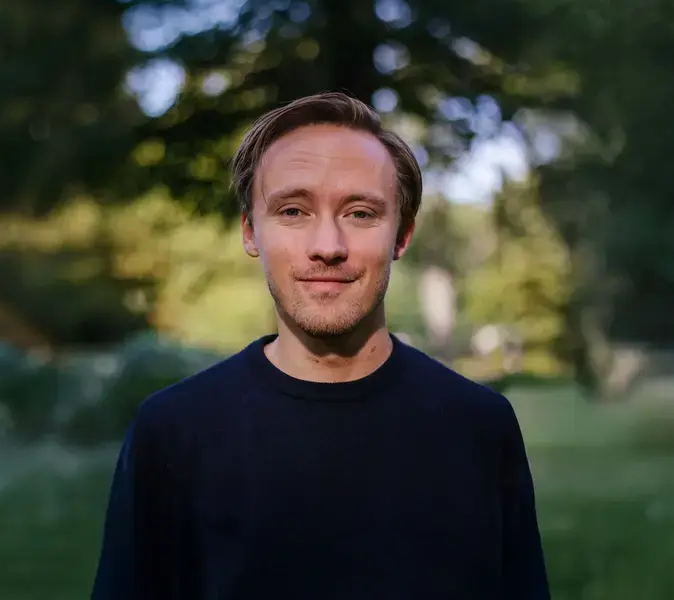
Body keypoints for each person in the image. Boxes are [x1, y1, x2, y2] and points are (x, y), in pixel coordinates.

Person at [90, 92, 550, 599]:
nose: (327, 246)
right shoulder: (172, 434)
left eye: (360, 213)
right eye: (293, 210)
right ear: (250, 231)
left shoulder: (479, 428)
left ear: (401, 236)